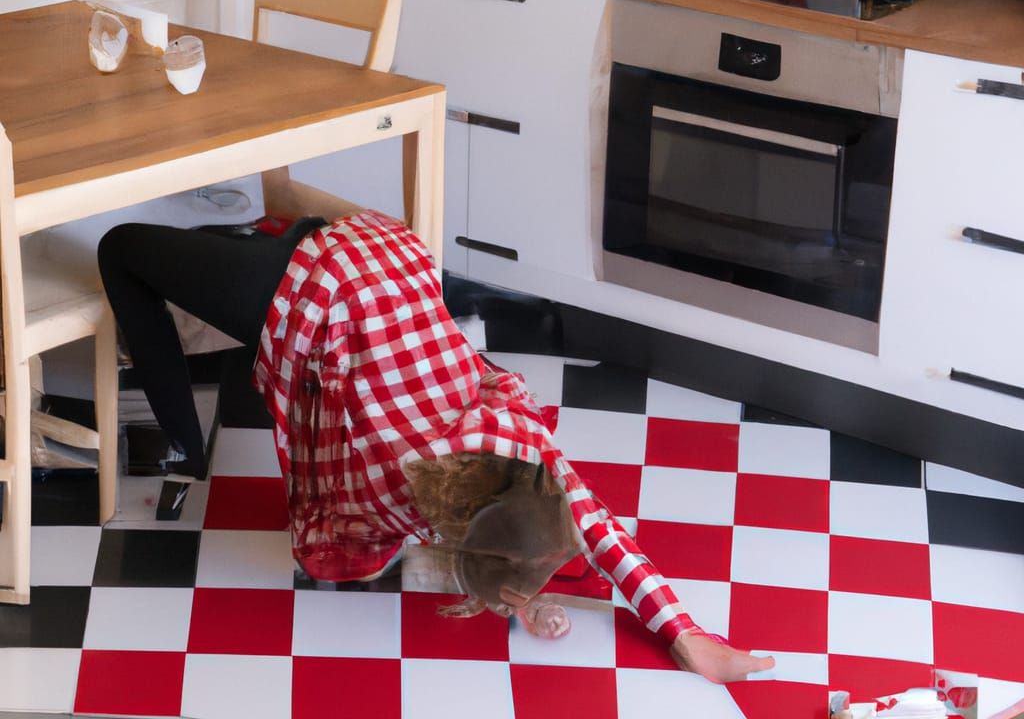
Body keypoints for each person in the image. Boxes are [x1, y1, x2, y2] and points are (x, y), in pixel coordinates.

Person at [98, 210, 775, 685]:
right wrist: (520, 599)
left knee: (207, 247)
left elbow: (601, 531)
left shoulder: (523, 445)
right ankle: (185, 447)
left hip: (395, 257)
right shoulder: (388, 492)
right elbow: (316, 526)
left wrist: (690, 638)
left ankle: (259, 237)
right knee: (120, 247)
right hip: (314, 287)